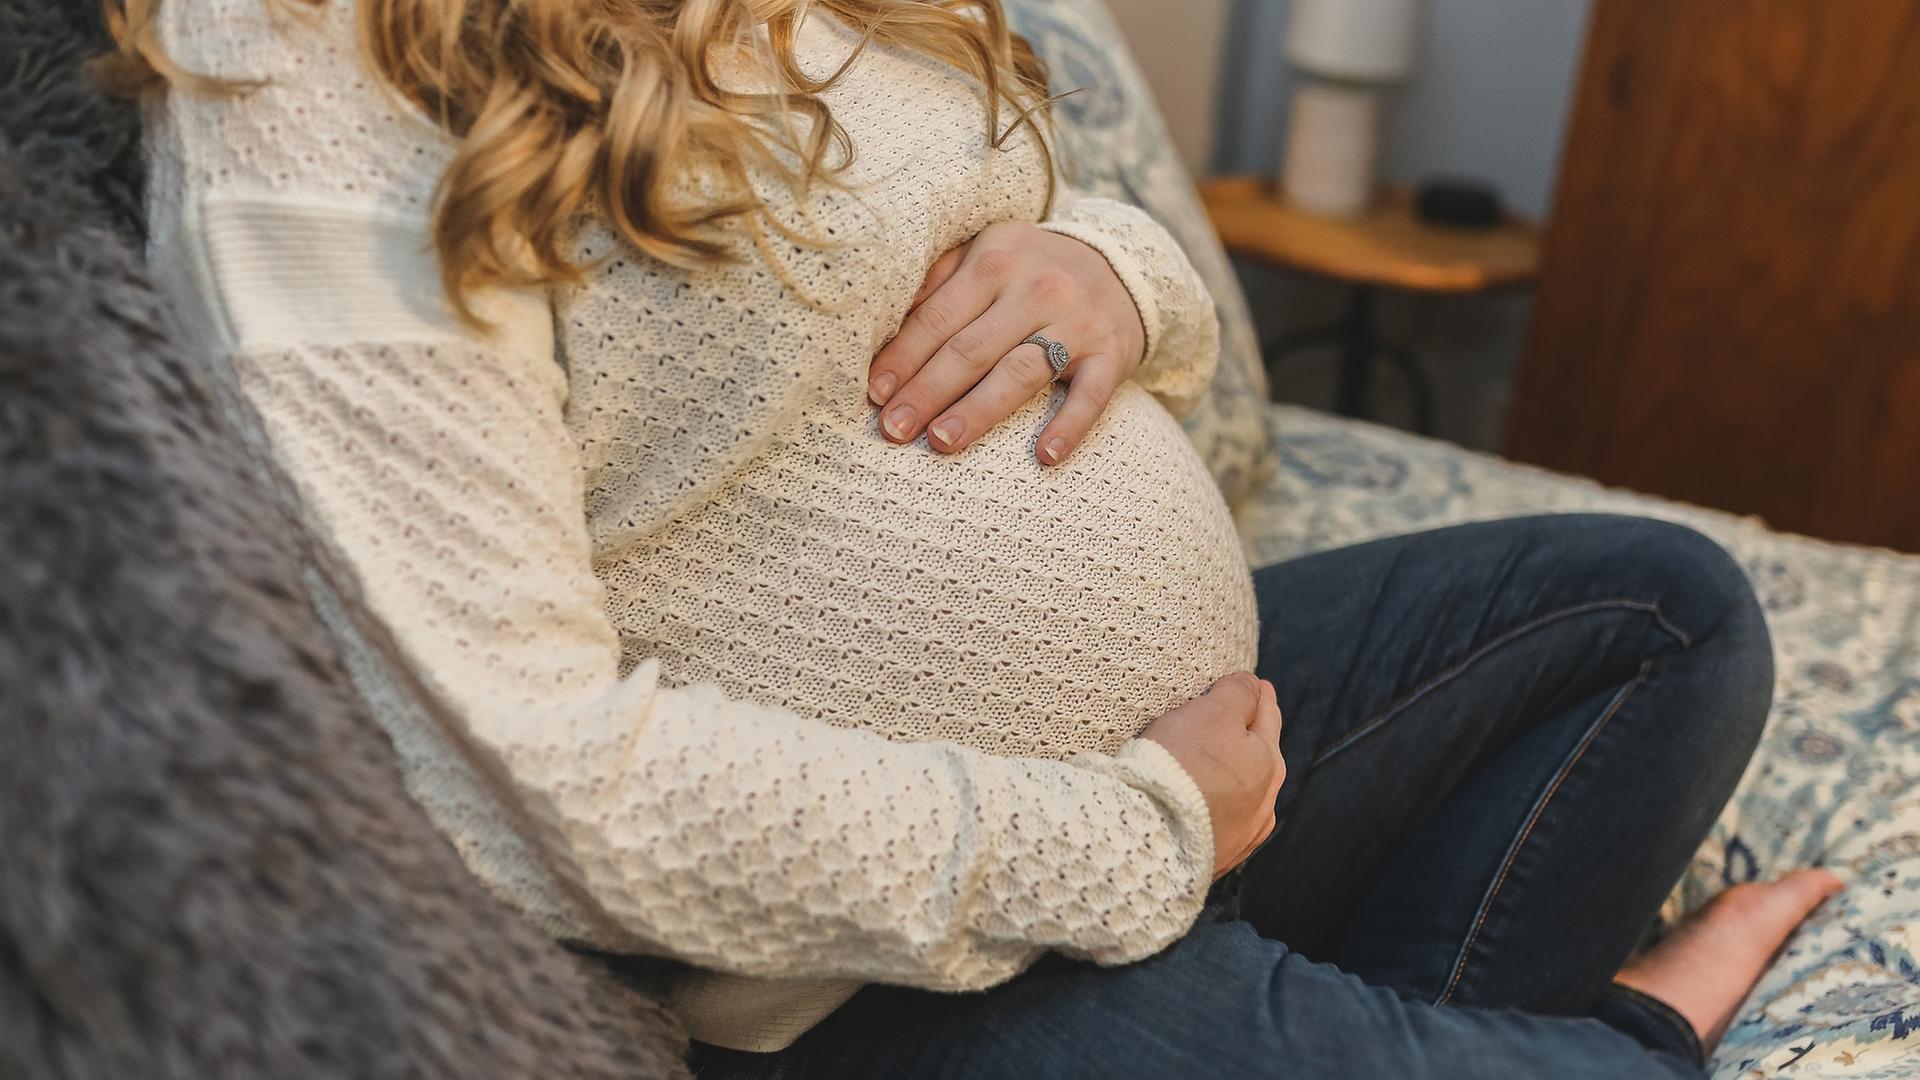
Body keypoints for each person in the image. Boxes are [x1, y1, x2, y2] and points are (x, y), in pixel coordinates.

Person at [113, 0, 1841, 1074]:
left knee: (1666, 617)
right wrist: (1142, 835)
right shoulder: (302, 73)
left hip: (1186, 786)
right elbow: (531, 780)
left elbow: (1020, 227)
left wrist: (1115, 269)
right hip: (852, 973)